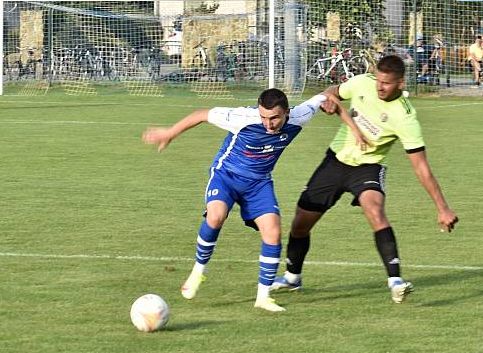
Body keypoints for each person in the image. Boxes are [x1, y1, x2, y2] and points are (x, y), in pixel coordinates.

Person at [142, 89, 367, 312]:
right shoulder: (242, 118)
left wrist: (354, 130)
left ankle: (263, 297)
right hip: (226, 176)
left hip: (258, 184)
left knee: (273, 231)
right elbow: (202, 114)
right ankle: (198, 271)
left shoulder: (299, 116)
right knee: (216, 215)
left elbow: (327, 97)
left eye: (274, 118)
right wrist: (170, 133)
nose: (268, 124)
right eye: (264, 118)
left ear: (287, 112)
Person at [270, 55, 459, 303]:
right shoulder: (361, 82)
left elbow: (421, 167)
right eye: (378, 81)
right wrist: (330, 100)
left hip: (368, 168)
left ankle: (396, 282)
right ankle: (293, 277)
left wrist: (442, 208)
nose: (380, 87)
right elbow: (331, 90)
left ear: (400, 83)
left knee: (375, 211)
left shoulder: (405, 117)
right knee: (301, 223)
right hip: (335, 161)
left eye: (387, 83)